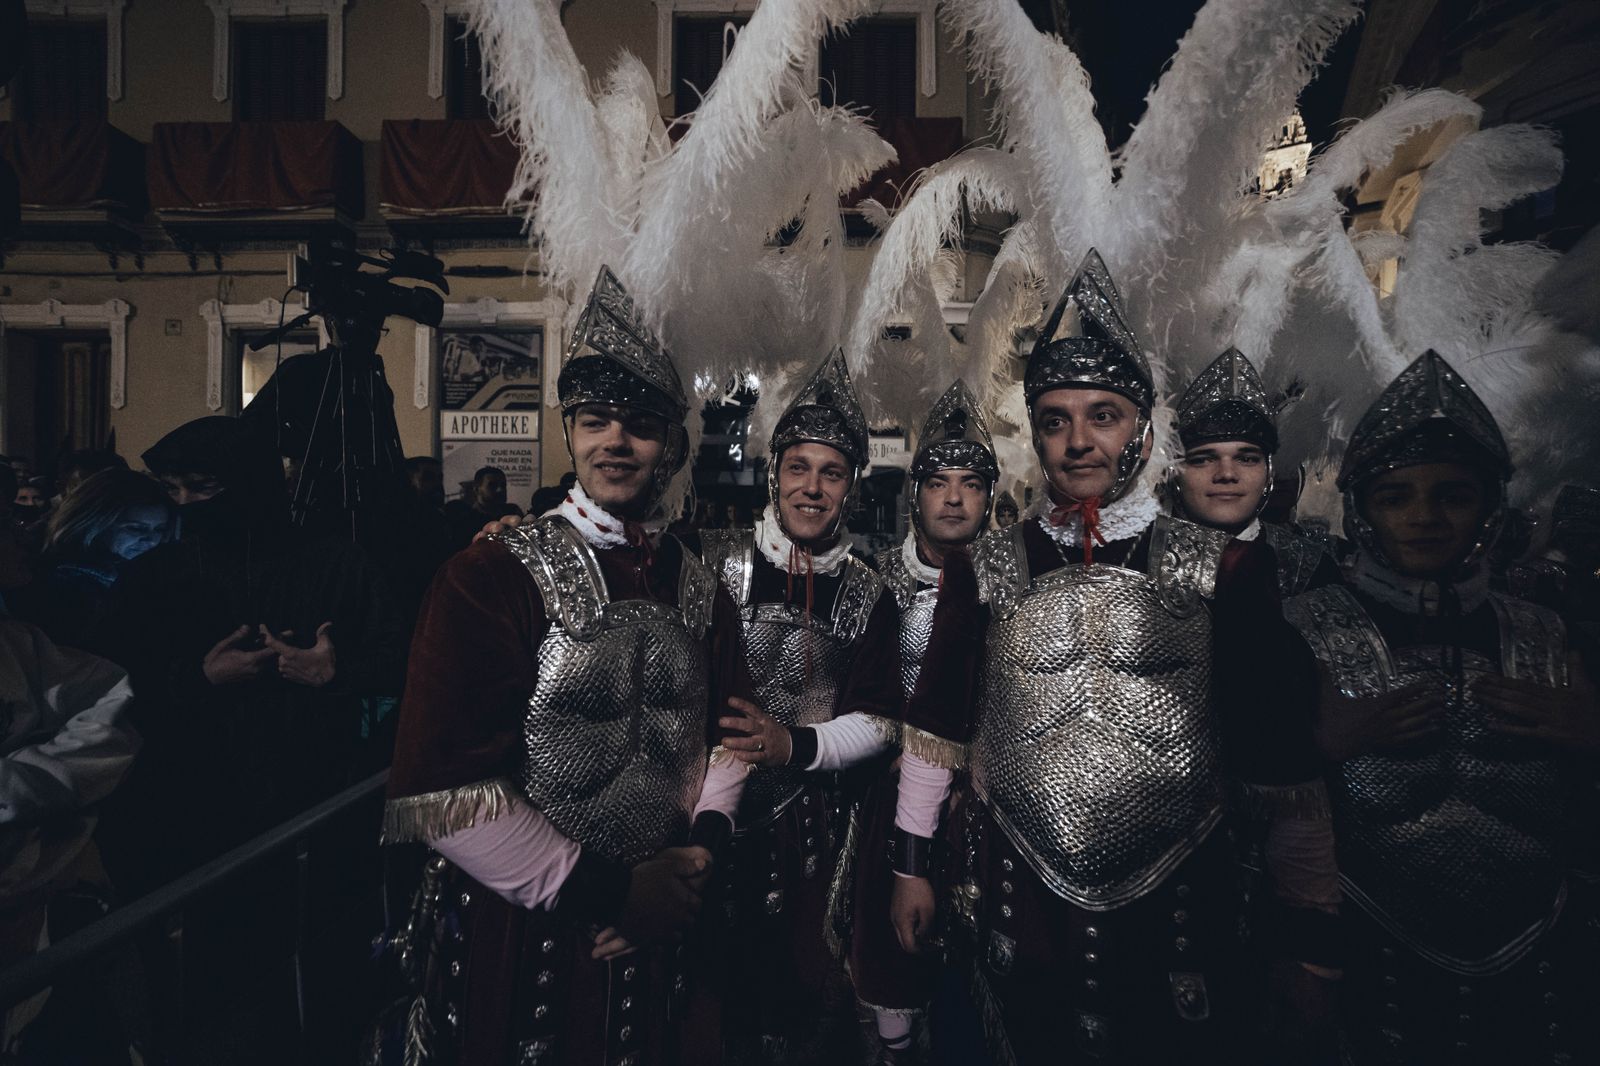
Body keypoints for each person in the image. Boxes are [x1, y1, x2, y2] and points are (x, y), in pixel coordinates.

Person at [888, 251, 1338, 1064]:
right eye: (1055, 419)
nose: (1079, 440)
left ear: (1144, 429)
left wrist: (1306, 933)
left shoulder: (1222, 567)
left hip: (1177, 912)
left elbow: (1282, 766)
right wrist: (911, 866)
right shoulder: (984, 565)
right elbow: (936, 730)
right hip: (1018, 908)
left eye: (1104, 415)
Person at [381, 266, 752, 1065]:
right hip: (526, 942)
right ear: (569, 427)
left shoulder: (699, 584)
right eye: (595, 420)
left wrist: (698, 862)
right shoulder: (487, 577)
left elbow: (729, 735)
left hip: (667, 937)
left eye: (641, 423)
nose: (616, 442)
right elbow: (444, 789)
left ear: (673, 440)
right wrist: (614, 893)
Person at [1282, 351, 1600, 1065]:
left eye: (1451, 495)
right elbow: (1245, 819)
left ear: (1489, 507)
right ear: (1363, 511)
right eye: (1397, 497)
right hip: (1371, 963)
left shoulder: (1555, 633)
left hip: (1544, 968)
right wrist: (1309, 753)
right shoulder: (1299, 628)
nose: (1424, 516)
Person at [697, 348, 904, 1061]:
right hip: (701, 824)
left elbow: (882, 720)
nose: (812, 489)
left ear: (851, 488)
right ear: (774, 474)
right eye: (798, 468)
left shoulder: (869, 592)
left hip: (814, 838)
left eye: (832, 472)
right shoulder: (710, 564)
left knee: (805, 1012)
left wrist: (794, 746)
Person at [844, 380, 998, 1062]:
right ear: (916, 494)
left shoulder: (1016, 580)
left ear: (990, 496)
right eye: (939, 482)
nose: (955, 498)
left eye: (970, 482)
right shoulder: (874, 580)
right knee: (890, 979)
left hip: (992, 809)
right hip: (884, 805)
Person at [1171, 348, 1339, 596]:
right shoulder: (1136, 557)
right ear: (1175, 472)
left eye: (1247, 459)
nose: (1227, 474)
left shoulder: (1313, 569)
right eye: (1203, 459)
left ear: (1269, 471)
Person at [6, 468, 176, 653]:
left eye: (159, 529)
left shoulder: (140, 573)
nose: (151, 540)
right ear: (95, 523)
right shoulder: (67, 585)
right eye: (136, 529)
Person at [444, 466, 523, 549]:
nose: (500, 490)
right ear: (476, 489)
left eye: (503, 485)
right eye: (492, 485)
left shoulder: (512, 511)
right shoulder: (464, 520)